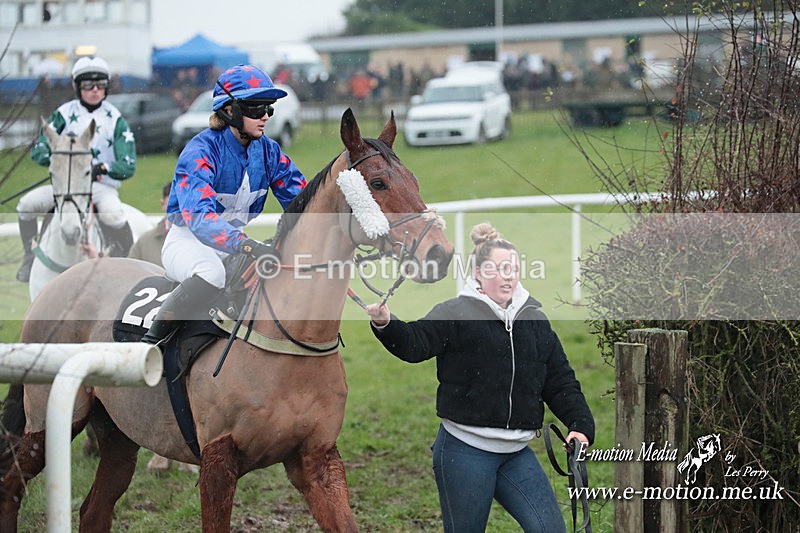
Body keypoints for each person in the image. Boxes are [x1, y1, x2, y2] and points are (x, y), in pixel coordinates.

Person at [364, 223, 595, 533]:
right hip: (464, 451)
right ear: (477, 273)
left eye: (513, 268)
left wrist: (580, 426)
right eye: (498, 269)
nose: (508, 276)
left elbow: (560, 380)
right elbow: (414, 343)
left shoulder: (535, 320)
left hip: (516, 454)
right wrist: (386, 323)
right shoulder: (455, 313)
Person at [140, 64, 307, 346]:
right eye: (256, 108)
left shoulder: (269, 151)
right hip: (188, 242)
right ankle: (150, 344)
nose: (265, 116)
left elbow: (302, 200)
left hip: (233, 245)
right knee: (212, 274)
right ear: (229, 111)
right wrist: (245, 244)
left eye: (269, 108)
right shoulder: (200, 151)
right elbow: (200, 217)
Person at [16, 55, 137, 282]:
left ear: (107, 87)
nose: (94, 90)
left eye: (100, 85)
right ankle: (28, 258)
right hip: (63, 186)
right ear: (76, 86)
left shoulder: (116, 119)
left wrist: (101, 167)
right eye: (87, 85)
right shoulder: (62, 114)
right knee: (26, 205)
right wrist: (58, 161)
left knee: (114, 216)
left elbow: (128, 165)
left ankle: (124, 262)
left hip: (99, 187)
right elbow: (39, 149)